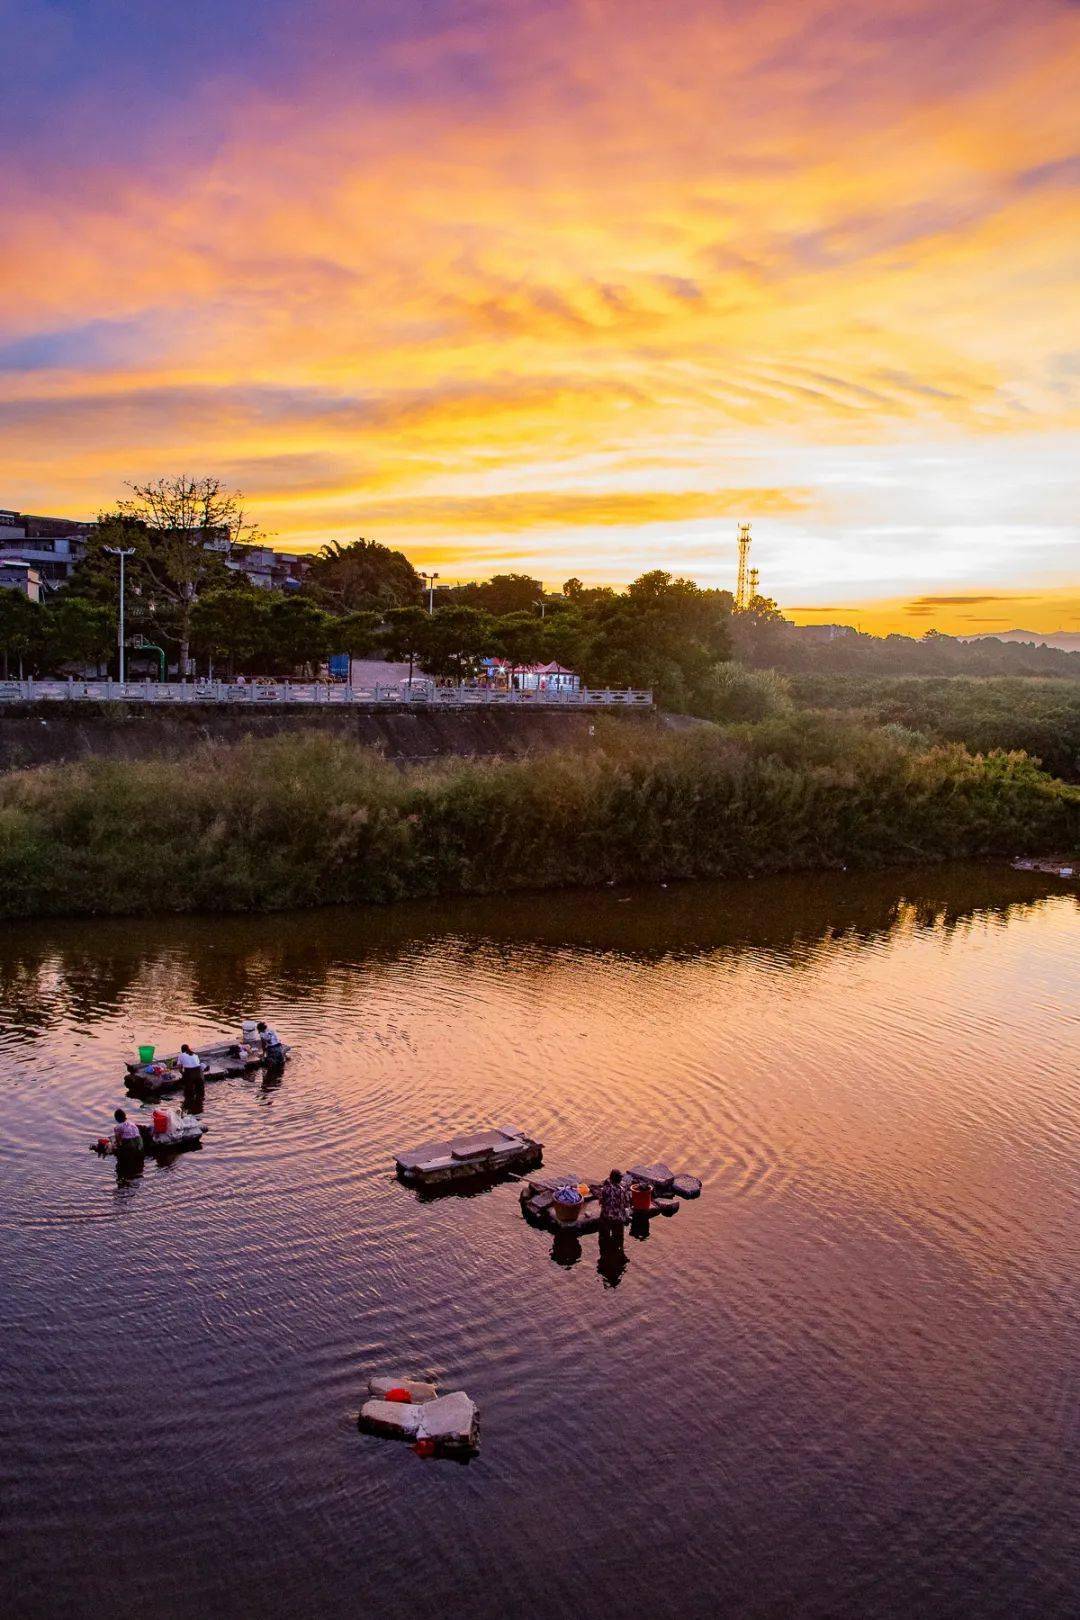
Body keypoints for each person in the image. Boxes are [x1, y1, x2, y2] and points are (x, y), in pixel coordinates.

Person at [599, 1168, 631, 1246]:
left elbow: (601, 1202)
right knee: (618, 1240)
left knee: (604, 1239)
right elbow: (627, 1205)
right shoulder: (623, 1191)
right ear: (619, 1180)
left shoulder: (605, 1189)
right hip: (618, 1219)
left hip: (606, 1217)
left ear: (611, 1178)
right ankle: (617, 1252)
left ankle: (605, 1253)